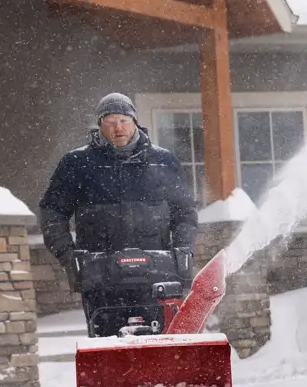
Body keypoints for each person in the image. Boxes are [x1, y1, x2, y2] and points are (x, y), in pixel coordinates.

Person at [40, 93, 198, 335]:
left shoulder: (163, 161)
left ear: (135, 121)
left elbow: (184, 212)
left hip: (157, 274)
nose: (118, 128)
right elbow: (52, 211)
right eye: (110, 121)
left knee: (161, 347)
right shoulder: (77, 163)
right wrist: (69, 256)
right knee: (107, 351)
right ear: (99, 124)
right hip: (101, 276)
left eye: (123, 120)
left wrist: (183, 251)